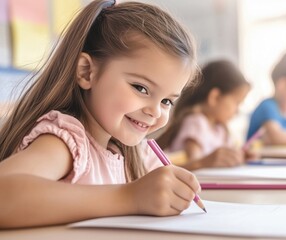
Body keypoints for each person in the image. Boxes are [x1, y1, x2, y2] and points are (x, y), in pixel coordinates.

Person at [0, 0, 201, 228]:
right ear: (87, 72)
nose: (155, 111)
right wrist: (129, 197)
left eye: (167, 101)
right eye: (141, 88)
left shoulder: (135, 153)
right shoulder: (67, 141)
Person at [157, 60, 253, 171]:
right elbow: (194, 165)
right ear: (215, 97)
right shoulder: (196, 122)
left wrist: (239, 156)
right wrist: (206, 162)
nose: (237, 110)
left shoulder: (220, 128)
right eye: (237, 103)